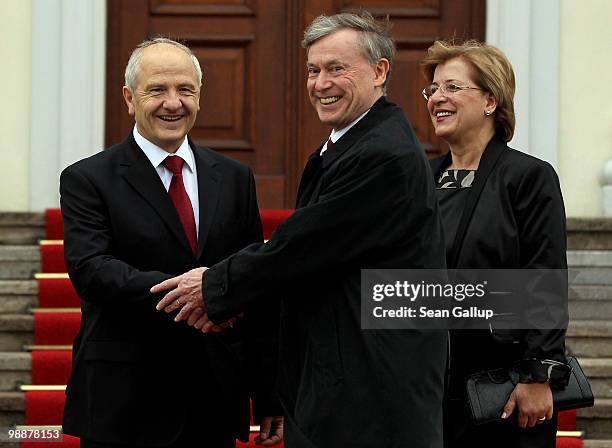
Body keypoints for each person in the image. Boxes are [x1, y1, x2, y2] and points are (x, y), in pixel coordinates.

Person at [152, 12, 448, 448]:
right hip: (342, 378)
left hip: (370, 394)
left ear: (380, 71)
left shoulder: (383, 155)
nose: (320, 83)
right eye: (313, 70)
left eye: (336, 69)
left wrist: (215, 286)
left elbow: (302, 247)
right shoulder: (352, 144)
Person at [60, 38, 282, 448]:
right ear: (129, 98)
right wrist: (193, 294)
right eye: (157, 90)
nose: (173, 103)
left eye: (185, 90)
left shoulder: (234, 178)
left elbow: (255, 287)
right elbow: (92, 271)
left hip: (212, 398)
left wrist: (268, 393)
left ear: (199, 96)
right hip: (125, 401)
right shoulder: (88, 179)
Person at [421, 40, 568, 448]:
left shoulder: (527, 177)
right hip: (431, 389)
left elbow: (545, 276)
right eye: (433, 89)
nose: (437, 98)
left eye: (452, 87)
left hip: (503, 391)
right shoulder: (422, 180)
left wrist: (539, 375)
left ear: (490, 100)